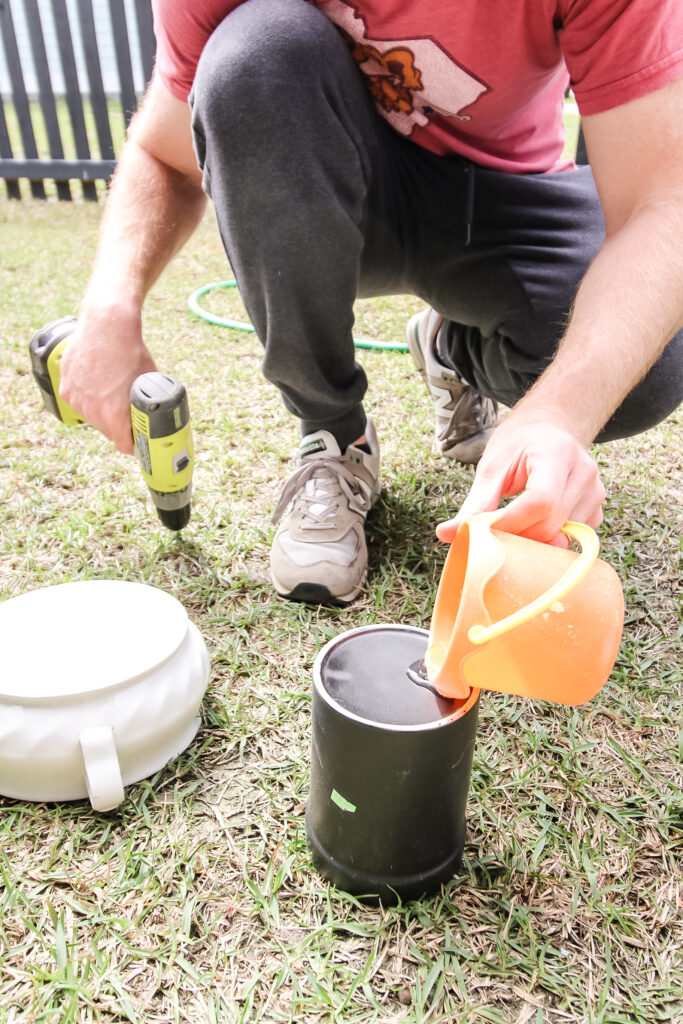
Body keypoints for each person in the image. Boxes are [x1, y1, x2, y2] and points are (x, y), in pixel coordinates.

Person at [60, 0, 683, 605]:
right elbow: (166, 154)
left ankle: (453, 346)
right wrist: (110, 308)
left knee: (645, 366)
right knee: (259, 52)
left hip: (502, 200)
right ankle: (334, 435)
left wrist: (560, 412)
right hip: (334, 197)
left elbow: (663, 205)